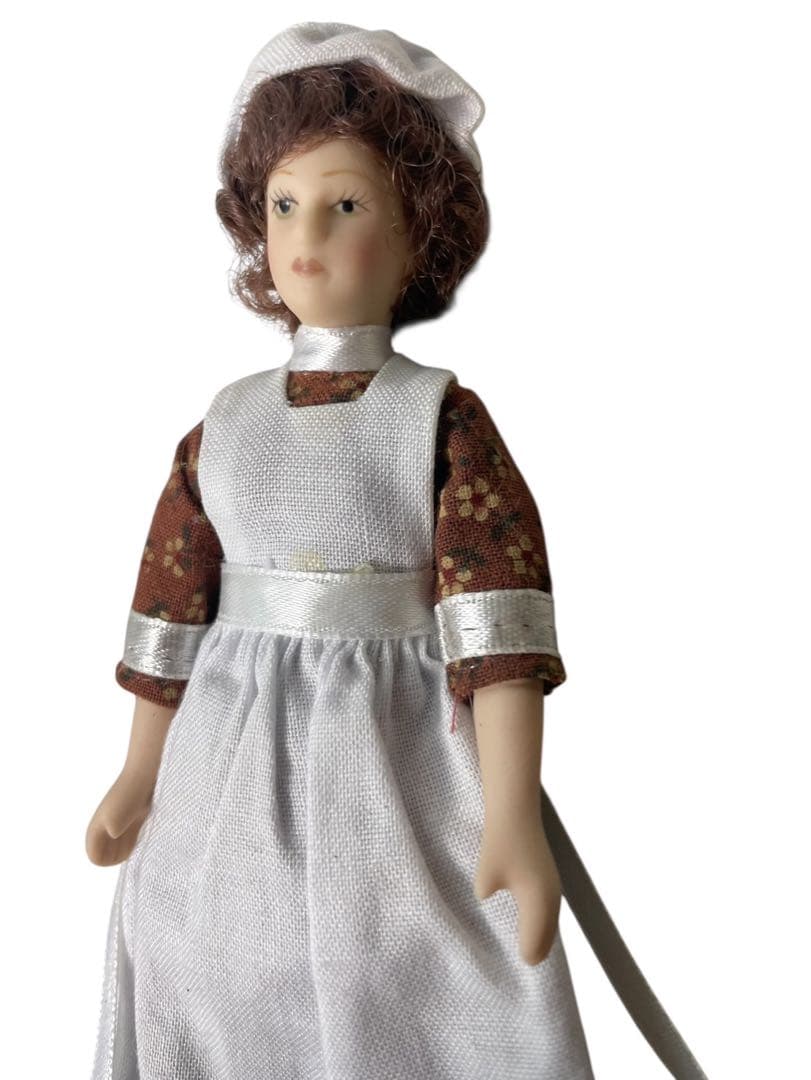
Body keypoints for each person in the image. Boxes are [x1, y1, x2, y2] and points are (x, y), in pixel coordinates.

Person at [86, 23, 596, 1079]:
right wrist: (138, 774)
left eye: (346, 206)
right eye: (283, 206)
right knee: (210, 961)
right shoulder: (222, 426)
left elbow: (494, 625)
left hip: (395, 751)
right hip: (225, 768)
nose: (306, 235)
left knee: (401, 969)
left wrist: (510, 809)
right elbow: (173, 607)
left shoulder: (438, 419)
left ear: (418, 234)